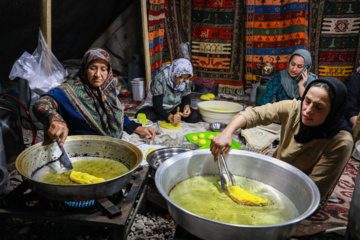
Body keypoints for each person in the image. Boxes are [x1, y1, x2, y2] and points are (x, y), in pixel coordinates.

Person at [211, 77, 353, 202]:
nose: (308, 110)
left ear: (333, 111)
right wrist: (227, 132)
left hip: (300, 188)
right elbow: (253, 114)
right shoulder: (294, 108)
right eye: (307, 101)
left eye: (319, 107)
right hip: (277, 168)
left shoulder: (341, 142)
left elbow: (313, 190)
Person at [33, 48, 155, 147]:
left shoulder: (107, 89)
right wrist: (54, 119)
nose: (98, 75)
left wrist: (136, 127)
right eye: (93, 68)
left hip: (108, 143)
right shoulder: (70, 90)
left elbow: (115, 115)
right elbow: (42, 103)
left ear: (109, 72)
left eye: (103, 69)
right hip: (82, 147)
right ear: (85, 69)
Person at [135, 58, 201, 125]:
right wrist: (170, 117)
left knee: (195, 116)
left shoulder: (185, 80)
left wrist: (186, 106)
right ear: (174, 72)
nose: (181, 80)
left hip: (174, 107)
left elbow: (186, 96)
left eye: (184, 78)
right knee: (143, 115)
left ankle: (170, 116)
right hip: (156, 107)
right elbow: (157, 105)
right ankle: (168, 116)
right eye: (180, 77)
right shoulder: (159, 79)